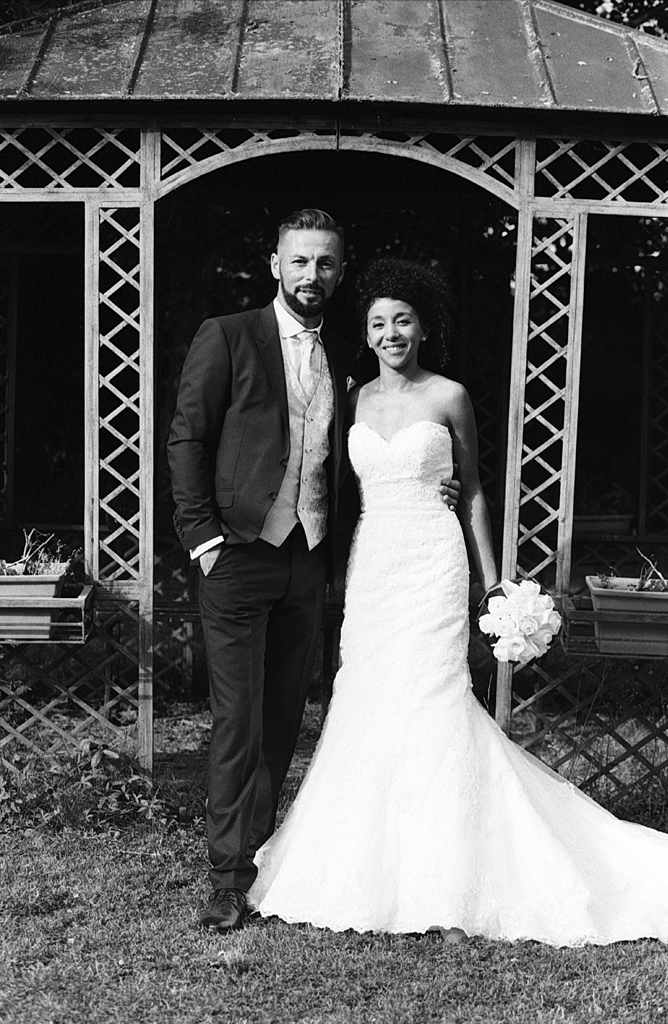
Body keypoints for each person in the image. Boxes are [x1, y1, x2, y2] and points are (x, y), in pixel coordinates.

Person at [249, 257, 668, 947]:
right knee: (366, 695)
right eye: (378, 322)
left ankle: (443, 878)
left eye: (403, 321)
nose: (391, 333)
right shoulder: (350, 397)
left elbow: (471, 487)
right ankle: (359, 866)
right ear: (365, 331)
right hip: (373, 561)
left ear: (422, 327)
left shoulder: (447, 395)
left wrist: (490, 580)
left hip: (433, 561)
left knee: (434, 699)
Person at [167, 214, 461, 933]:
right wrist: (203, 538)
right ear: (274, 263)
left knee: (280, 723)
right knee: (237, 721)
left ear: (338, 271)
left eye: (326, 265)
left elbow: (360, 451)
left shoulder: (345, 359)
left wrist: (431, 486)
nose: (312, 277)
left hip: (308, 563)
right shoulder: (228, 335)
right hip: (236, 557)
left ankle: (264, 858)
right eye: (300, 262)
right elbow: (188, 437)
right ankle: (226, 879)